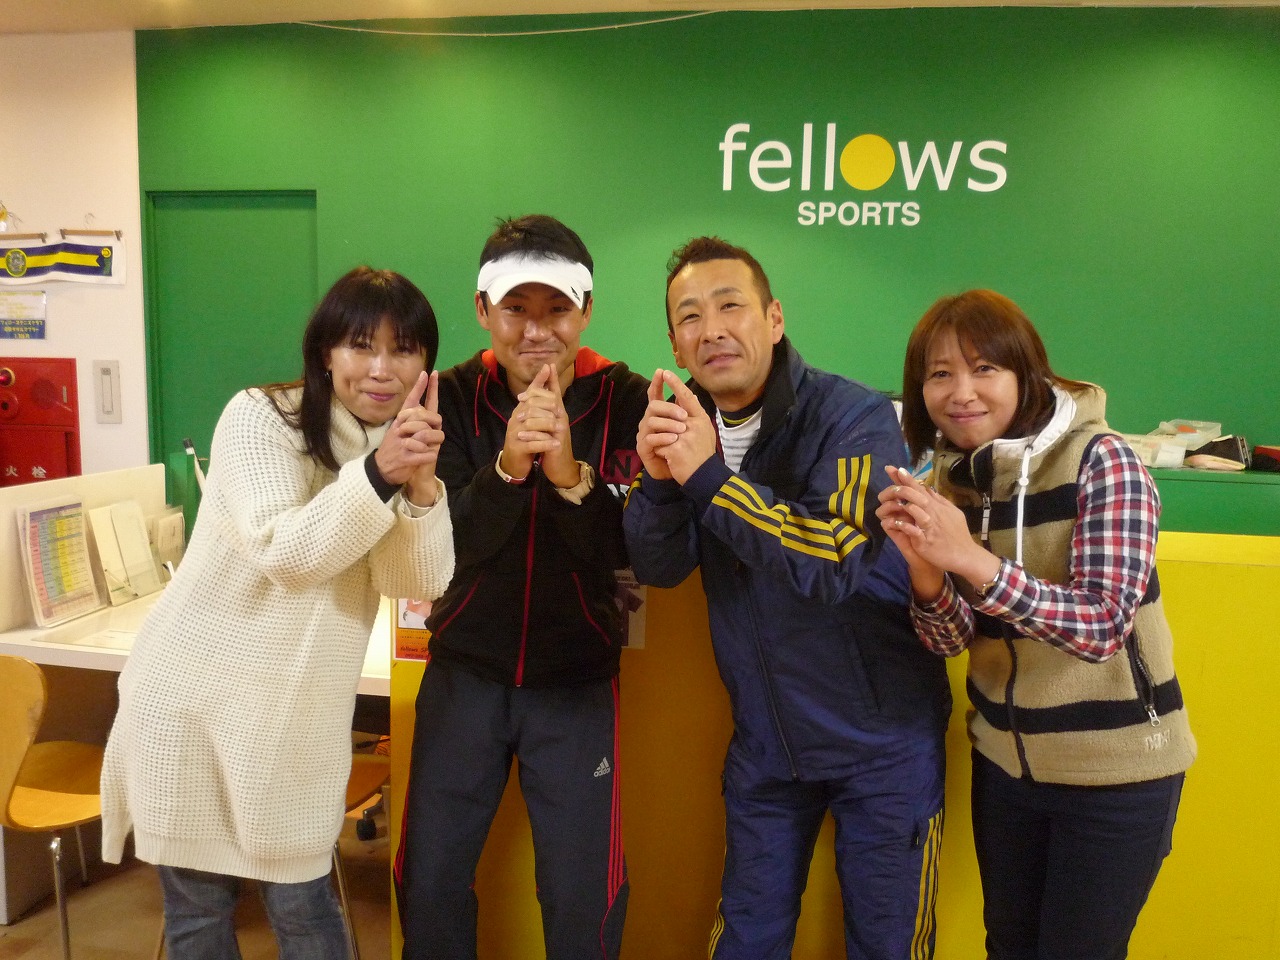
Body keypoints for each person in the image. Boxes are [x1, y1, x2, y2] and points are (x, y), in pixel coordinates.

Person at [100, 266, 455, 956]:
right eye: (361, 345)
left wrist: (418, 486)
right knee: (200, 912)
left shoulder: (391, 446)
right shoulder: (262, 417)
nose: (381, 368)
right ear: (325, 352)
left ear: (425, 365)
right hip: (192, 708)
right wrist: (380, 474)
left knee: (304, 907)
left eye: (404, 349)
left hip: (293, 725)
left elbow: (415, 578)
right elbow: (283, 552)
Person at [623, 236, 951, 960]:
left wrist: (707, 479)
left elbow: (835, 558)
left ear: (774, 319)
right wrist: (659, 482)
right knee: (747, 939)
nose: (712, 329)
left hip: (883, 747)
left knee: (888, 947)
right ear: (675, 346)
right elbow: (659, 566)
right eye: (690, 316)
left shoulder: (854, 416)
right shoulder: (689, 430)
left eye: (730, 306)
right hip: (767, 746)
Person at [875, 289, 1195, 960]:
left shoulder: (1103, 461)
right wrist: (927, 574)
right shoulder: (951, 482)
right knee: (1009, 946)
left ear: (1026, 372)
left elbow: (1102, 625)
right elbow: (952, 639)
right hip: (1005, 766)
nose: (961, 392)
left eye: (984, 368)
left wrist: (969, 559)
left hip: (1116, 772)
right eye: (940, 374)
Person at [396, 215, 647, 960]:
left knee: (581, 894)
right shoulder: (444, 397)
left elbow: (629, 551)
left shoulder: (626, 400)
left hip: (577, 682)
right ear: (483, 310)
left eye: (557, 309)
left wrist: (570, 476)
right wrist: (506, 470)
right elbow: (440, 546)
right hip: (463, 673)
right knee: (431, 880)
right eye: (516, 309)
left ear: (587, 310)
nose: (537, 330)